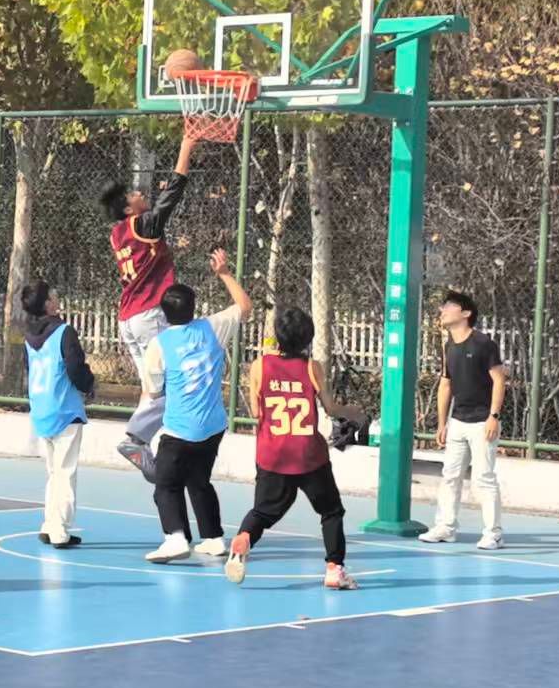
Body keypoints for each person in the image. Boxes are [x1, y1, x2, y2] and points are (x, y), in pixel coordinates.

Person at [225, 305, 366, 588]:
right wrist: (355, 413)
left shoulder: (260, 366)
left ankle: (244, 537)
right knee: (330, 511)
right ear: (307, 338)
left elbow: (255, 412)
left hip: (273, 453)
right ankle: (334, 569)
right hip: (308, 455)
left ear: (277, 335)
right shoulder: (312, 368)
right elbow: (330, 408)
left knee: (263, 512)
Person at [141, 248, 252, 564]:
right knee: (199, 480)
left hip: (180, 428)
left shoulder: (159, 344)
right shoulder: (212, 327)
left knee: (165, 485)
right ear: (194, 308)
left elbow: (152, 391)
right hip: (213, 426)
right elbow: (245, 306)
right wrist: (224, 273)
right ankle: (214, 538)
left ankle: (175, 537)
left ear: (164, 314)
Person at [101, 132, 197, 480]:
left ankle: (142, 442)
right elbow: (174, 192)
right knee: (174, 383)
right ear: (130, 209)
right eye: (134, 195)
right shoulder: (144, 224)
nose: (140, 194)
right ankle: (137, 438)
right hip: (148, 315)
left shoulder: (118, 232)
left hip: (128, 317)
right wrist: (186, 146)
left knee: (153, 388)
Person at [420, 289, 506, 549]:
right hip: (457, 421)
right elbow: (445, 384)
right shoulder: (448, 345)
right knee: (450, 475)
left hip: (482, 421)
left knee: (484, 478)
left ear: (466, 313)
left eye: (449, 306)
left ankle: (493, 533)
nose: (443, 310)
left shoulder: (483, 344)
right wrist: (442, 422)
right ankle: (446, 527)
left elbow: (499, 380)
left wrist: (493, 416)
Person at [21, 278, 97, 549]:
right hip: (64, 410)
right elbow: (76, 367)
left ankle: (49, 524)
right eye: (53, 296)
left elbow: (29, 369)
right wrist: (89, 385)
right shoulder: (64, 332)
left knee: (54, 471)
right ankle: (60, 530)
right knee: (65, 472)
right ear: (47, 305)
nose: (56, 299)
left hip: (42, 409)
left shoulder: (28, 337)